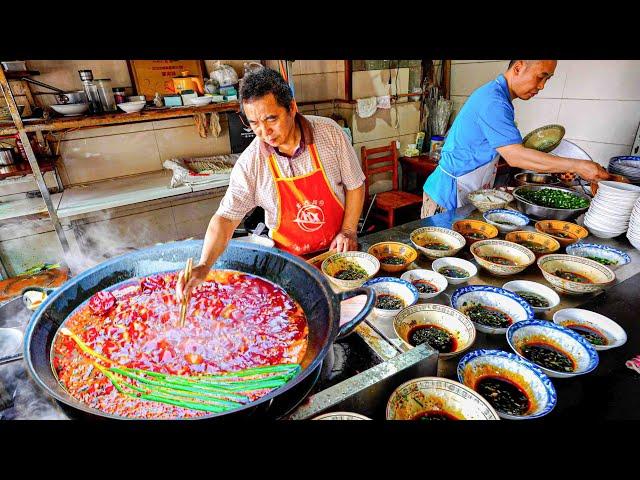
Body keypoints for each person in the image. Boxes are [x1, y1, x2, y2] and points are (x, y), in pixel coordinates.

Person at [176, 67, 366, 301]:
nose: (264, 132)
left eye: (271, 119)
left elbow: (355, 184)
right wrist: (205, 265)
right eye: (254, 123)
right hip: (290, 267)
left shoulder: (330, 134)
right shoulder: (251, 162)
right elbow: (225, 218)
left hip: (339, 255)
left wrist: (348, 231)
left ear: (292, 108)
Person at [421, 60, 610, 217]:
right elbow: (515, 156)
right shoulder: (493, 101)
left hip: (463, 191)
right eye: (540, 77)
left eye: (547, 79)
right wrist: (578, 166)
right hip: (447, 195)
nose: (542, 86)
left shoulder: (499, 97)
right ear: (518, 68)